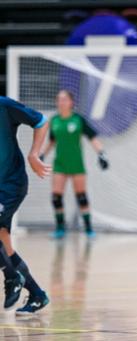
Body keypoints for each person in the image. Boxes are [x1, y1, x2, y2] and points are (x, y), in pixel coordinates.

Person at [0, 96, 50, 315]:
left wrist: (34, 154)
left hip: (10, 185)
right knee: (4, 244)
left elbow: (40, 121)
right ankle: (37, 294)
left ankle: (12, 277)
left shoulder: (4, 106)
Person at [41, 90, 109, 239]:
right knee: (56, 197)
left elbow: (93, 138)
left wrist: (101, 154)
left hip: (77, 164)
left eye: (64, 99)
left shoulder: (78, 120)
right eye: (58, 99)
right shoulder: (54, 121)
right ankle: (60, 228)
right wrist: (42, 155)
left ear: (71, 102)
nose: (61, 102)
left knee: (82, 197)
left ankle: (89, 229)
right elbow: (52, 141)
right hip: (60, 164)